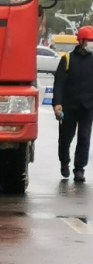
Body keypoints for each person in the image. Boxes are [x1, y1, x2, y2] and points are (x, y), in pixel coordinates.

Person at [53, 25, 93, 183]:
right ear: (81, 41)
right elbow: (59, 84)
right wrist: (57, 103)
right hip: (68, 107)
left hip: (88, 106)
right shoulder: (68, 59)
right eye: (89, 41)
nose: (90, 44)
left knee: (84, 138)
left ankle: (79, 169)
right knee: (65, 138)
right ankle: (64, 162)